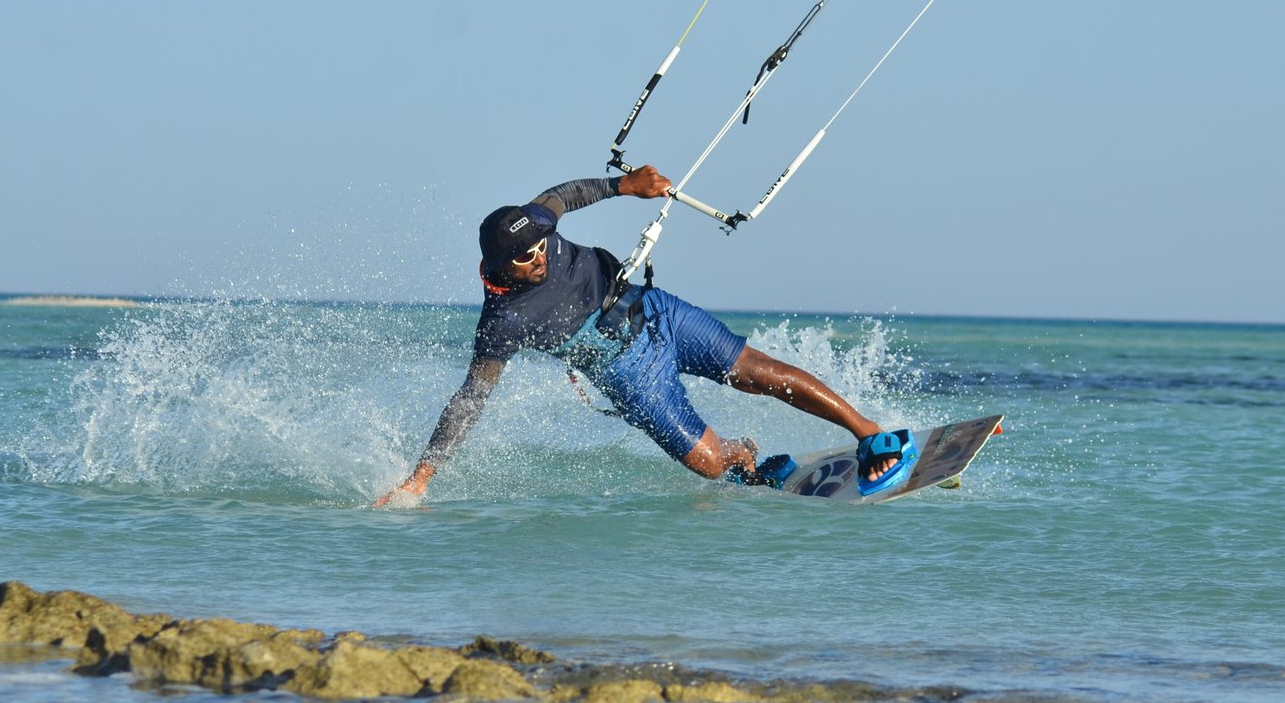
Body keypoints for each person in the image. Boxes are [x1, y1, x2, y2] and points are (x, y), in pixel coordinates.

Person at [375, 166, 911, 506]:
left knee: (759, 374)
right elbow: (471, 399)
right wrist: (421, 478)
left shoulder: (533, 224)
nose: (539, 257)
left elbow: (563, 195)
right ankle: (743, 454)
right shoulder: (501, 322)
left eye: (542, 245)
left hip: (656, 313)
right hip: (624, 372)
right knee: (707, 464)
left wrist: (621, 186)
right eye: (525, 257)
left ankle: (868, 432)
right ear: (498, 264)